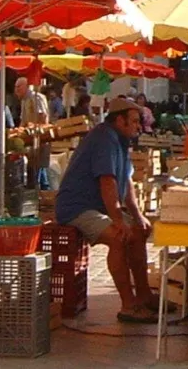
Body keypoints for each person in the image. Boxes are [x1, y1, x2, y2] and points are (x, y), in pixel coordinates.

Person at [53, 97, 156, 323]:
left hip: (97, 207)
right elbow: (107, 181)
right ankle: (128, 306)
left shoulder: (121, 141)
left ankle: (144, 296)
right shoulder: (104, 138)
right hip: (77, 207)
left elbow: (126, 183)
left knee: (138, 233)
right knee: (118, 238)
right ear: (119, 120)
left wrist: (138, 218)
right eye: (135, 121)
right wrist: (118, 220)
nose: (139, 126)